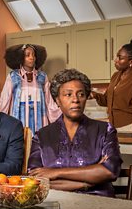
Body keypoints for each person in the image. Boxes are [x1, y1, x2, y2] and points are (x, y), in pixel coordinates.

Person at [28, 69, 123, 197]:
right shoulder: (42, 136)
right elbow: (35, 181)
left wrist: (55, 173)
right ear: (57, 100)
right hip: (55, 202)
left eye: (81, 94)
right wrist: (88, 181)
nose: (75, 100)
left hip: (99, 203)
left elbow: (110, 171)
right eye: (68, 94)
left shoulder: (105, 130)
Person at [0, 44, 61, 134]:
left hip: (39, 118)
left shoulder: (42, 77)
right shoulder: (13, 76)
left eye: (33, 55)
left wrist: (62, 112)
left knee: (38, 143)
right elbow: (5, 100)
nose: (32, 58)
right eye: (27, 55)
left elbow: (49, 101)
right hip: (18, 118)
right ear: (21, 58)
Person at [90, 38, 132, 131]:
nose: (115, 60)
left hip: (130, 127)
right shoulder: (115, 76)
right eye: (116, 56)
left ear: (131, 62)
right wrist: (94, 95)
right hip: (113, 127)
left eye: (120, 58)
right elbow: (107, 100)